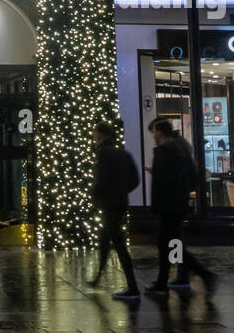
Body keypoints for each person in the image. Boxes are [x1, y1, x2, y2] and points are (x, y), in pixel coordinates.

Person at [147, 118, 216, 296]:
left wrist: (158, 202)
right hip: (177, 204)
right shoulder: (180, 149)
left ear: (159, 132)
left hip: (168, 206)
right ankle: (170, 280)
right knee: (173, 244)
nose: (153, 136)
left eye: (154, 132)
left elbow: (164, 182)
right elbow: (186, 178)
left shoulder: (164, 151)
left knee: (167, 245)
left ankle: (204, 274)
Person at [88, 120, 140, 300]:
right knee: (105, 239)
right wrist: (122, 192)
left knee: (118, 245)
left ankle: (133, 287)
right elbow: (135, 179)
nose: (93, 136)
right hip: (120, 204)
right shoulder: (123, 154)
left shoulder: (103, 154)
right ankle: (97, 277)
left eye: (95, 133)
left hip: (109, 204)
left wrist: (96, 197)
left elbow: (100, 180)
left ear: (100, 135)